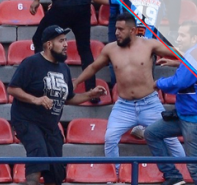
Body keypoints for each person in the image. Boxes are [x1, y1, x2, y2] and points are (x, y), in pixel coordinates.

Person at [9, 26, 107, 185]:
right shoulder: (31, 63)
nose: (66, 44)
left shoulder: (64, 68)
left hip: (50, 124)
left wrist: (88, 94)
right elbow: (12, 89)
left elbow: (68, 98)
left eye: (65, 40)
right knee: (38, 152)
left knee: (56, 168)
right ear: (48, 44)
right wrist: (36, 99)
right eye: (61, 41)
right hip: (26, 119)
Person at [74, 13, 186, 167]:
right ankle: (116, 173)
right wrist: (78, 81)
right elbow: (94, 67)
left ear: (132, 30)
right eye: (115, 29)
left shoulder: (149, 45)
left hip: (150, 103)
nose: (116, 33)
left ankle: (182, 172)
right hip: (124, 106)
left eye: (121, 29)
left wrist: (181, 61)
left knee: (171, 139)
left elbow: (178, 52)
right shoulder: (110, 49)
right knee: (110, 138)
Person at [147, 22, 197, 185]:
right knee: (151, 133)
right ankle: (172, 175)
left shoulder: (195, 53)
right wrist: (176, 63)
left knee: (196, 167)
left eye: (182, 35)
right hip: (185, 115)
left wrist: (158, 83)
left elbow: (178, 83)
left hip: (195, 118)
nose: (178, 39)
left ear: (194, 38)